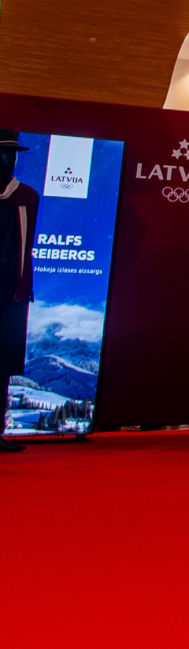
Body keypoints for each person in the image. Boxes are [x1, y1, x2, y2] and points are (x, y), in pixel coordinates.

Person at [0, 129, 39, 455]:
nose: (9, 160)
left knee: (1, 365)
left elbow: (25, 248)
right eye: (3, 152)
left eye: (13, 154)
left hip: (10, 291)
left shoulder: (26, 197)